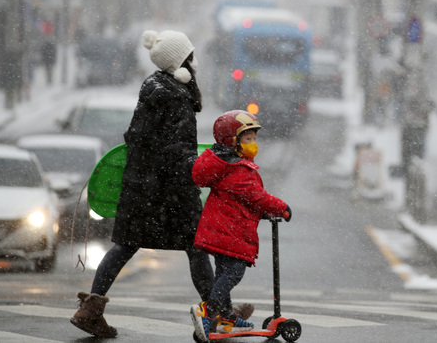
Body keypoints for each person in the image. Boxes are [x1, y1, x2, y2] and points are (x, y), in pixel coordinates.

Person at [71, 30, 214, 338]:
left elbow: (138, 140)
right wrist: (202, 169)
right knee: (197, 246)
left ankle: (90, 310)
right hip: (170, 191)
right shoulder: (177, 97)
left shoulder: (153, 90)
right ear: (180, 63)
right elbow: (178, 151)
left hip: (140, 187)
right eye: (190, 55)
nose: (195, 61)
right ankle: (216, 312)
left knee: (124, 246)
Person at [189, 110, 291, 341]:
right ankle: (209, 309)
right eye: (248, 139)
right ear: (232, 141)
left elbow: (245, 199)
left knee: (223, 272)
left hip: (220, 232)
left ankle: (226, 316)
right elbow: (257, 196)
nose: (253, 144)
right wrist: (282, 208)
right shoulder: (239, 170)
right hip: (230, 233)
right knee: (234, 273)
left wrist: (262, 211)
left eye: (254, 139)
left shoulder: (228, 165)